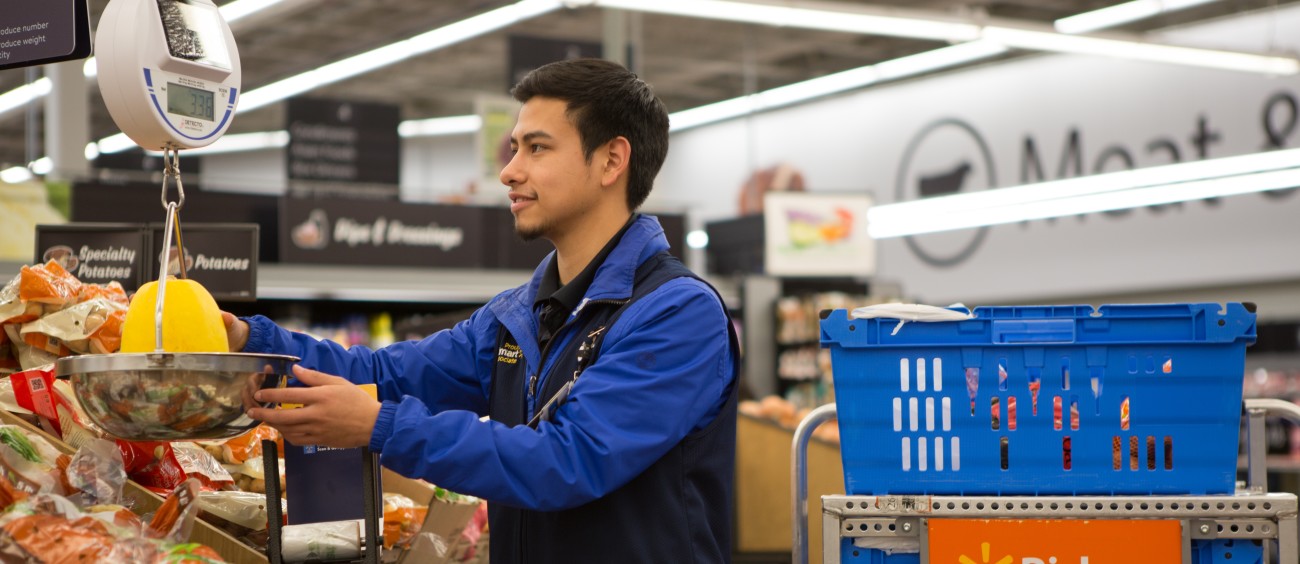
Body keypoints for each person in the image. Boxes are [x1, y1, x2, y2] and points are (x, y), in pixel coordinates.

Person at [224, 58, 740, 563]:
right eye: (515, 148)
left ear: (611, 160)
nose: (509, 171)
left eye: (537, 148)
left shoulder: (678, 313)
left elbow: (568, 461)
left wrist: (383, 427)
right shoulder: (516, 316)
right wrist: (248, 340)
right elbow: (385, 375)